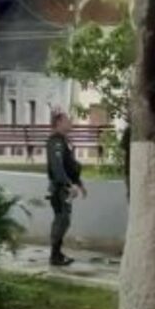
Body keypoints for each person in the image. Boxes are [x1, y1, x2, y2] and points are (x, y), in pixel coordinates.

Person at [46, 111, 86, 266]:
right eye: (67, 120)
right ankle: (54, 255)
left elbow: (69, 165)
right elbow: (57, 167)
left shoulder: (64, 140)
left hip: (65, 188)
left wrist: (80, 184)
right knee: (61, 220)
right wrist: (69, 185)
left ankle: (57, 253)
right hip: (60, 189)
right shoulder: (55, 141)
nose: (70, 122)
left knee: (64, 221)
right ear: (59, 123)